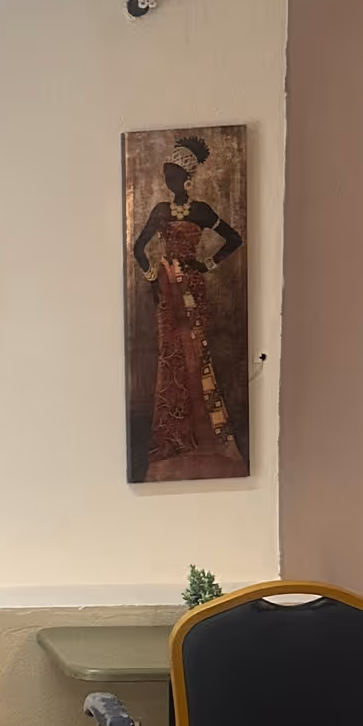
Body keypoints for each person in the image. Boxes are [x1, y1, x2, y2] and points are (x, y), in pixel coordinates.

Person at [131, 134, 246, 481]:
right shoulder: (161, 211)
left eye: (173, 175)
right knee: (171, 355)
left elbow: (234, 238)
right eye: (165, 175)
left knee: (196, 353)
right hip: (168, 291)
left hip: (194, 289)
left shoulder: (201, 211)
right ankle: (173, 434)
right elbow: (138, 248)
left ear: (187, 177)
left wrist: (206, 264)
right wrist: (153, 278)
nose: (168, 181)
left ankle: (203, 434)